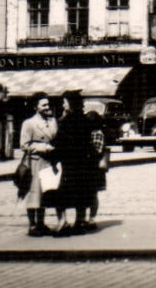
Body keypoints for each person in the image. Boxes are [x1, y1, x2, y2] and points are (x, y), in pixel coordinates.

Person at [51, 90, 97, 235]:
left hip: (69, 164)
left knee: (62, 193)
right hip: (83, 163)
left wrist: (53, 159)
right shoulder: (85, 120)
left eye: (64, 102)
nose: (63, 105)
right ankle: (79, 222)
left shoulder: (66, 122)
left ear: (70, 104)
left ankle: (63, 222)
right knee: (81, 193)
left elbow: (59, 143)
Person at [18, 95, 58, 237]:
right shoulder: (29, 123)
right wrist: (43, 147)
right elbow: (24, 145)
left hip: (48, 162)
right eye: (43, 105)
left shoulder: (52, 122)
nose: (47, 107)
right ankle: (32, 225)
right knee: (33, 193)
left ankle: (41, 223)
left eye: (48, 104)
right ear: (36, 107)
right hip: (35, 162)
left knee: (45, 194)